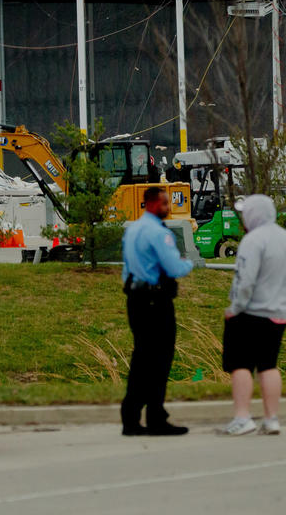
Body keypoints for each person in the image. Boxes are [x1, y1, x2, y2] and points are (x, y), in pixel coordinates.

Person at [219, 194, 286, 436]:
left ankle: (243, 418)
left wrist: (235, 308)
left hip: (252, 310)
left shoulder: (252, 241)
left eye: (246, 213)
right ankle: (271, 418)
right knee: (268, 365)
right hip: (280, 311)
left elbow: (245, 279)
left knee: (240, 363)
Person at [120, 186, 194, 436]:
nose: (168, 207)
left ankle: (130, 417)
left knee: (141, 358)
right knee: (159, 360)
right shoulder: (158, 232)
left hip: (135, 299)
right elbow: (173, 267)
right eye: (164, 203)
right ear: (153, 204)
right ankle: (155, 417)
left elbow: (126, 268)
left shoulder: (132, 230)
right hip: (155, 302)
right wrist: (189, 263)